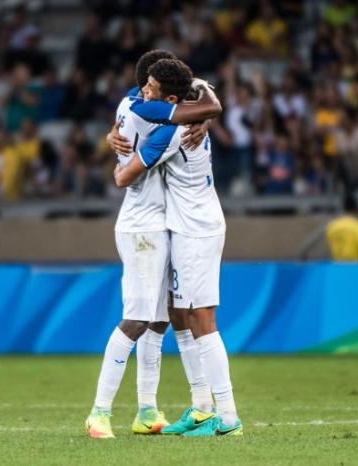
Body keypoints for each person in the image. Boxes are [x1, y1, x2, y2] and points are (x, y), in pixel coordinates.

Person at [85, 51, 222, 439]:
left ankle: (147, 409)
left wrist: (204, 119)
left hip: (164, 224)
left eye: (154, 88)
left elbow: (186, 103)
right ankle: (99, 412)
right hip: (140, 225)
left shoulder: (135, 100)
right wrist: (204, 116)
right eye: (147, 85)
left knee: (160, 320)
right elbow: (124, 175)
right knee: (138, 318)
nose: (147, 91)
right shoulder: (145, 110)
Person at [113, 58, 243, 436]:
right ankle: (202, 407)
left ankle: (229, 418)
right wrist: (112, 136)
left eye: (151, 88)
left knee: (203, 319)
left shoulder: (172, 132)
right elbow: (204, 102)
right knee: (179, 314)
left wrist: (118, 156)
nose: (143, 93)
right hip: (184, 227)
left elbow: (124, 175)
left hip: (198, 229)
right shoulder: (186, 117)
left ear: (171, 100)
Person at [325, 196, 358, 261]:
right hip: (355, 268)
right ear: (356, 208)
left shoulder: (331, 227)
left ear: (343, 208)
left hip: (337, 267)